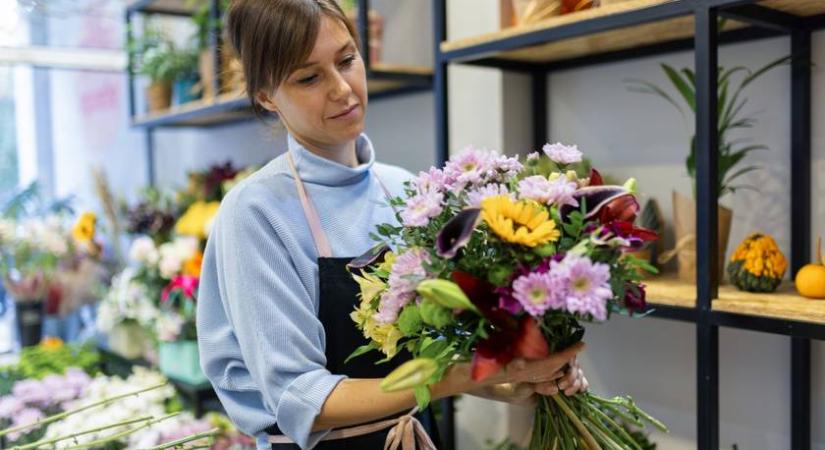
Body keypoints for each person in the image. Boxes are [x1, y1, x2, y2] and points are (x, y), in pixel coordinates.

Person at [196, 1, 589, 449]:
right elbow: (303, 399)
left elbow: (428, 354)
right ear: (266, 95)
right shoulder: (256, 213)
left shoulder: (405, 191)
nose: (343, 88)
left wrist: (514, 382)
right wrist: (471, 373)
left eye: (347, 60)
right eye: (309, 77)